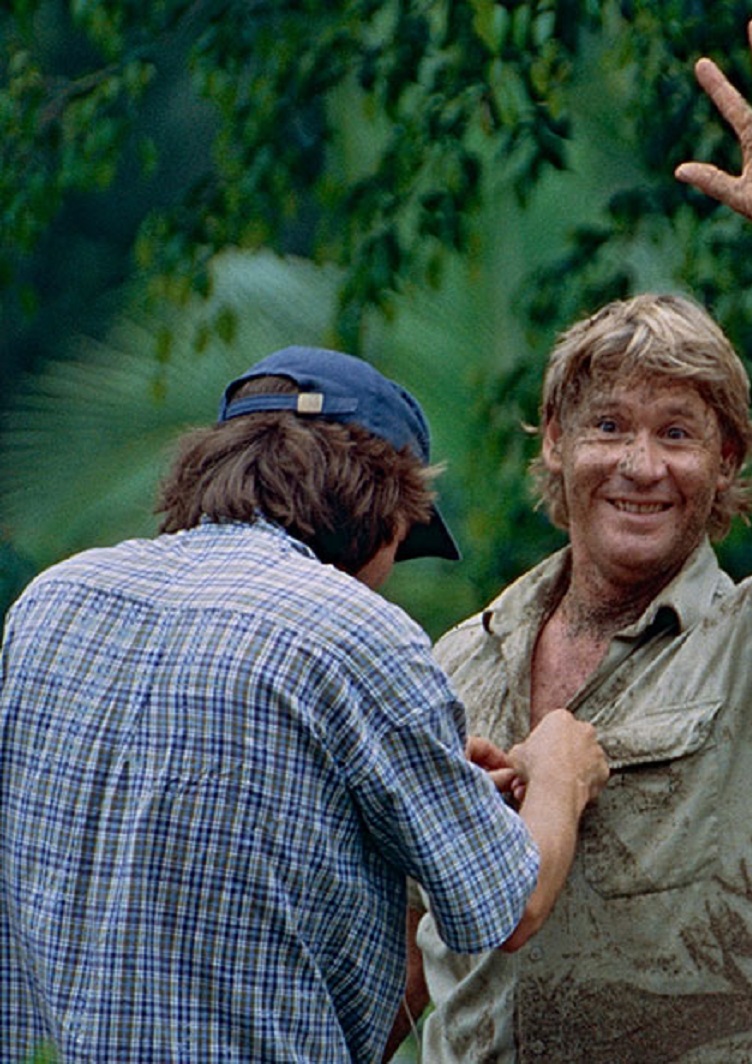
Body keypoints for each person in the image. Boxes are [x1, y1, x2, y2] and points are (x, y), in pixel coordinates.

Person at [408, 10, 752, 1063]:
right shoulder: (451, 663)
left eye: (679, 432)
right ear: (557, 444)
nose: (641, 463)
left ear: (727, 467)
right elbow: (400, 958)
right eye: (610, 425)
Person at [0, 346, 608, 1063]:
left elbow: (191, 833)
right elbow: (508, 904)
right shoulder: (355, 630)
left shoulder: (54, 601)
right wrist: (562, 766)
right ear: (382, 508)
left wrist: (446, 793)